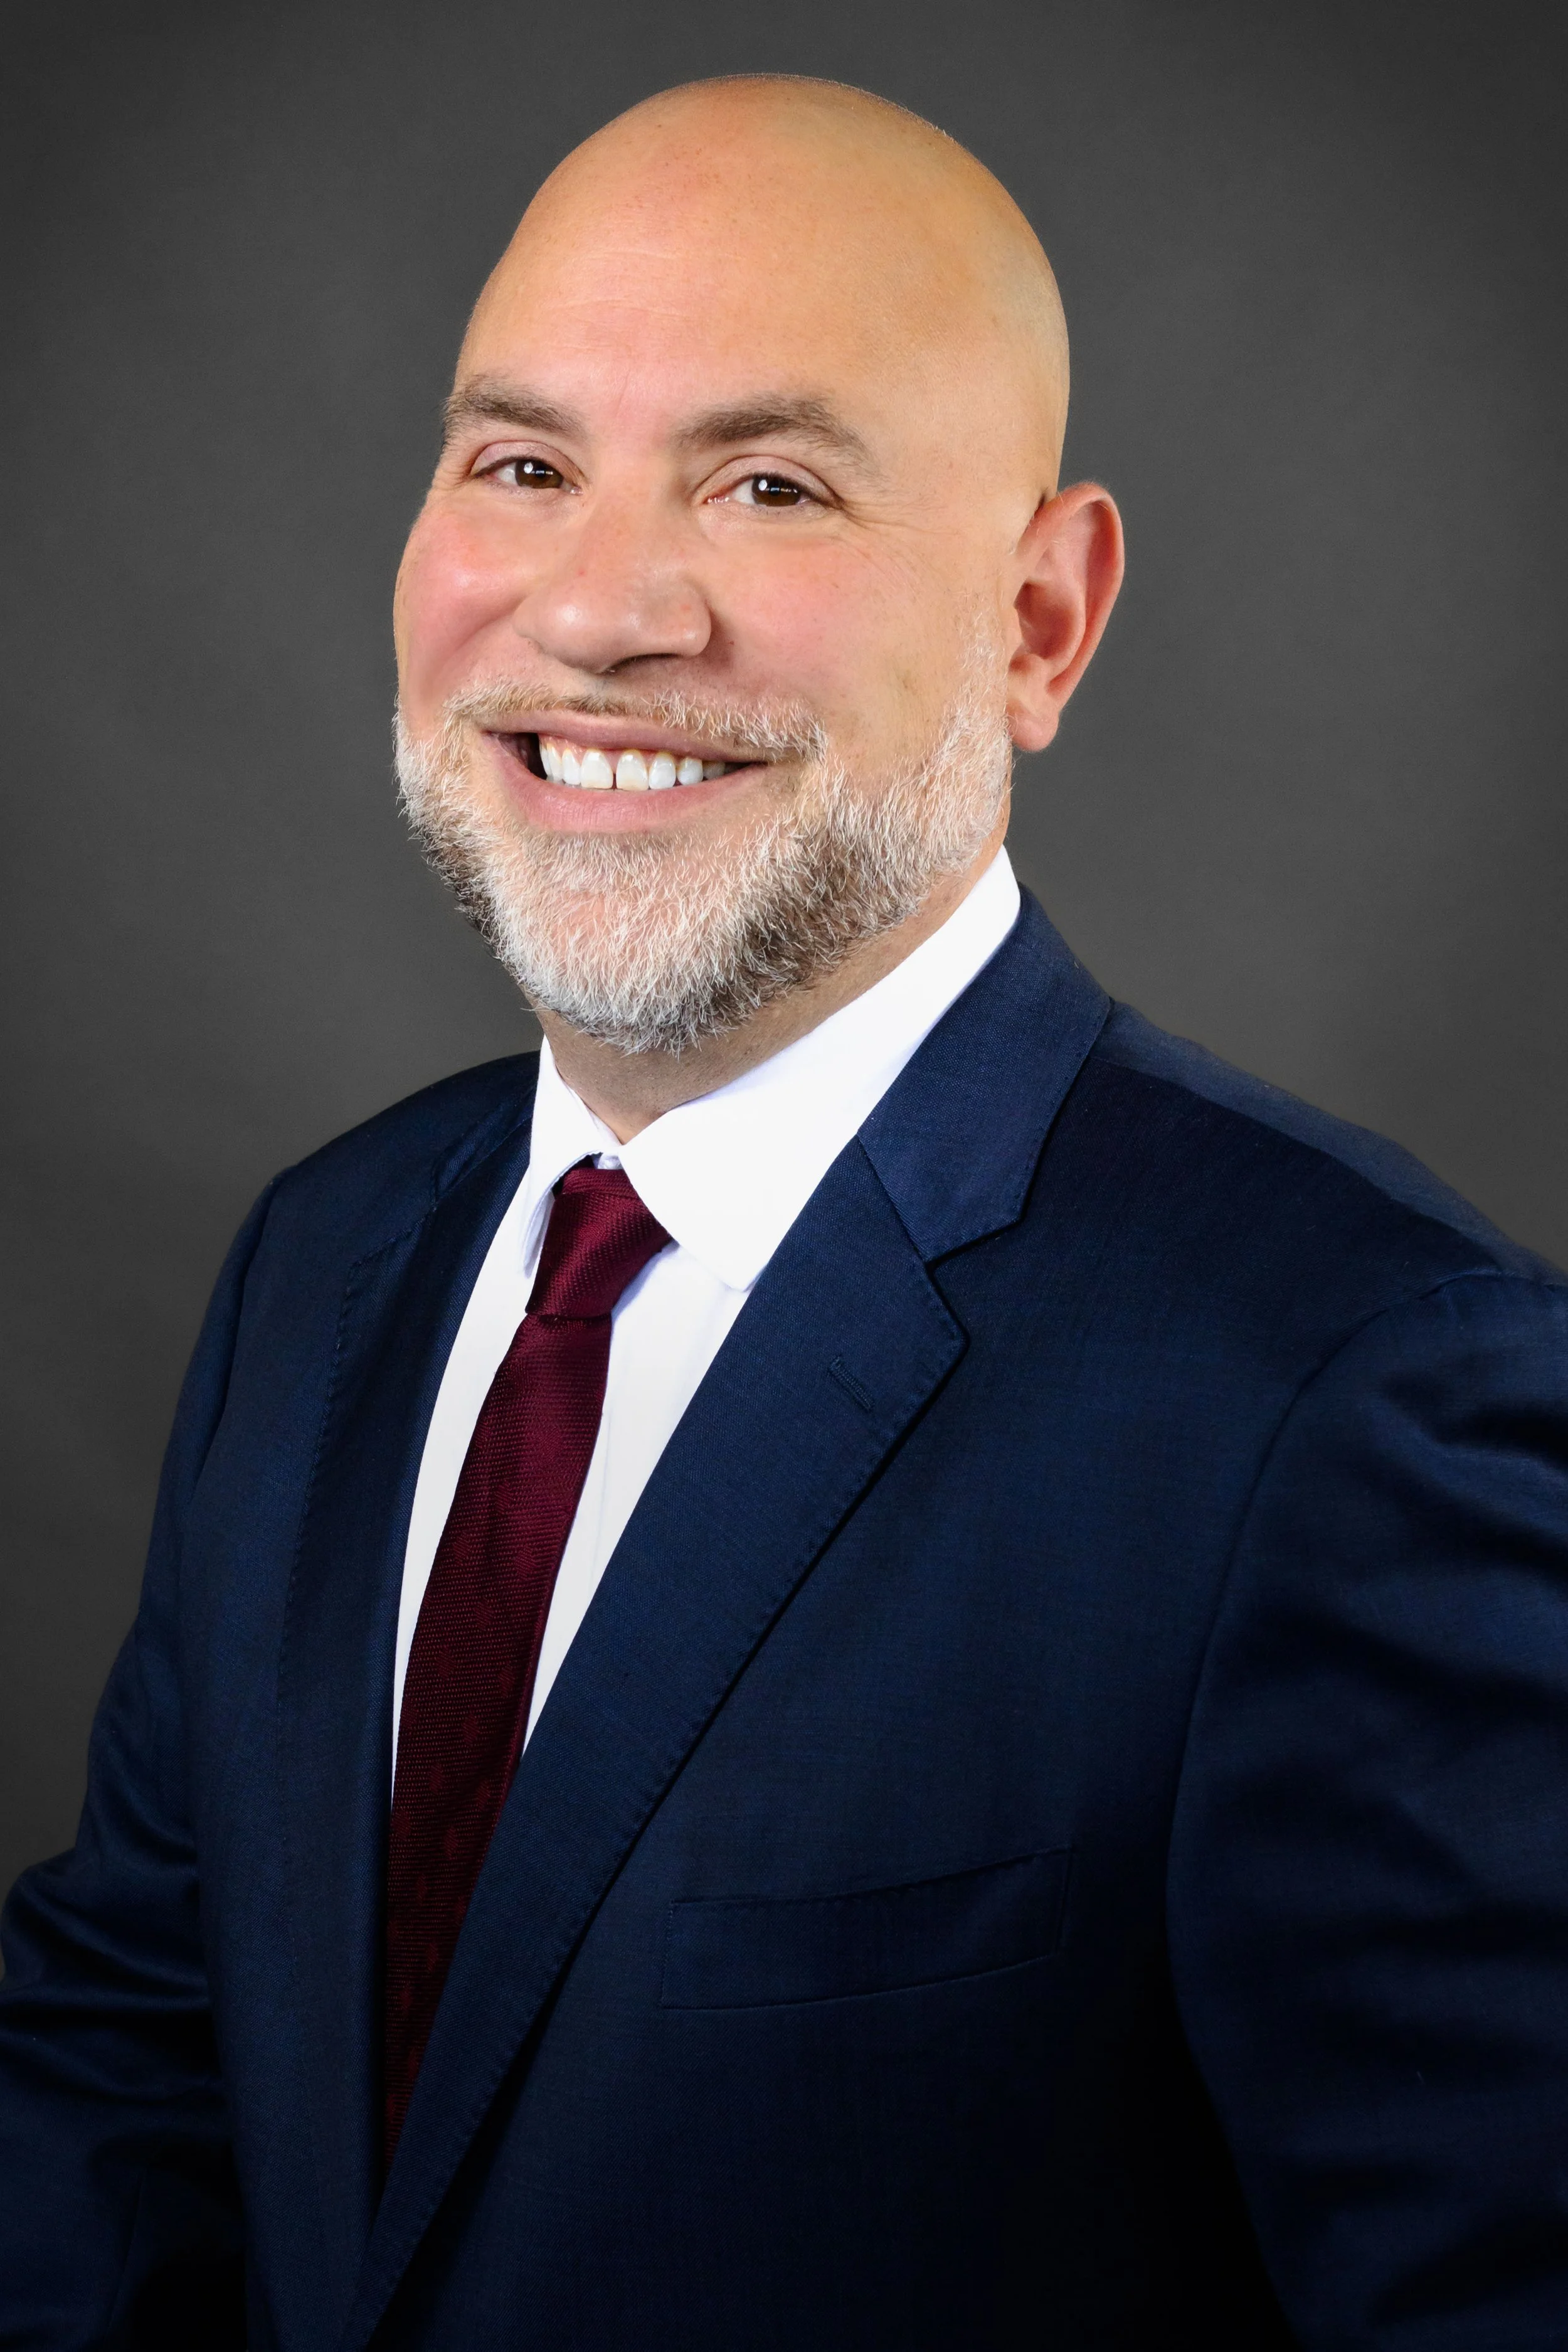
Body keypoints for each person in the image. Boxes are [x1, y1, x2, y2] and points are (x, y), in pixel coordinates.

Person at [2, 71, 1565, 2352]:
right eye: (520, 463)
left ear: (1039, 620)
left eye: (769, 482)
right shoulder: (327, 1270)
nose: (603, 608)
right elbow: (122, 2099)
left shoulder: (1352, 1397)